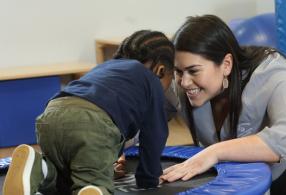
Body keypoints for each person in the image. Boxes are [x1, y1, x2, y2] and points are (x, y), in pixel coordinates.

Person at [160, 15, 286, 194]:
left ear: (226, 64)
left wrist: (216, 152)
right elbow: (142, 105)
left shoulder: (270, 71)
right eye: (178, 71)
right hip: (250, 176)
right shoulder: (183, 86)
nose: (184, 82)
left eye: (193, 71)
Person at [3, 30, 175, 195]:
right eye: (172, 75)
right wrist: (149, 178)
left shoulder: (105, 68)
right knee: (92, 180)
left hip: (52, 114)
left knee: (64, 178)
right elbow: (154, 134)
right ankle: (93, 188)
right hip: (91, 122)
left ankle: (39, 168)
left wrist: (109, 163)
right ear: (161, 70)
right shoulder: (151, 80)